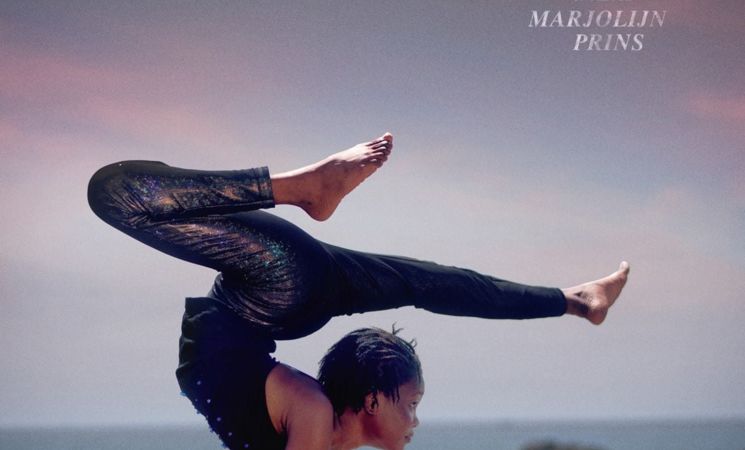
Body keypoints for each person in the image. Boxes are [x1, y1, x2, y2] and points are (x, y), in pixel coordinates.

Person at [87, 132, 629, 450]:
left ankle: (575, 300)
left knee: (430, 282)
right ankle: (300, 188)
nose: (416, 421)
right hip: (275, 291)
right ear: (371, 400)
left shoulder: (313, 416)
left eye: (414, 406)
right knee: (115, 192)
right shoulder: (313, 414)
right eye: (412, 405)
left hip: (277, 295)